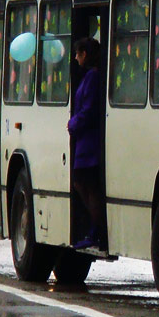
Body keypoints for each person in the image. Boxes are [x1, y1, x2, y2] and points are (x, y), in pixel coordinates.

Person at [67, 36, 105, 250]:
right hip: (85, 142)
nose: (75, 58)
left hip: (88, 143)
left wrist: (73, 123)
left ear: (85, 54)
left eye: (78, 53)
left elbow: (89, 109)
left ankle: (97, 231)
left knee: (86, 185)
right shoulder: (90, 76)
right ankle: (95, 230)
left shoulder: (92, 76)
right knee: (84, 185)